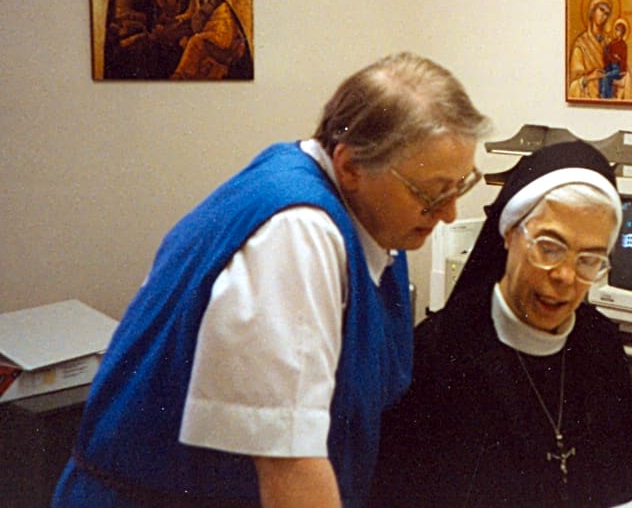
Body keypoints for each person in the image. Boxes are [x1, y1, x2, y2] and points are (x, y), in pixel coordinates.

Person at [53, 52, 490, 508]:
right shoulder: (297, 234)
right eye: (431, 192)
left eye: (459, 186)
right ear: (351, 167)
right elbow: (288, 468)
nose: (448, 213)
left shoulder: (374, 218)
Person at [368, 141, 632, 508]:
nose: (567, 277)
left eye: (590, 259)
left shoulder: (599, 343)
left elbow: (603, 473)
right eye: (550, 248)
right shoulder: (436, 357)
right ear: (508, 233)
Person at [171, 0, 254, 79]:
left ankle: (181, 74)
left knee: (195, 41)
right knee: (186, 41)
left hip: (223, 27)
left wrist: (195, 27)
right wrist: (177, 19)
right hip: (211, 26)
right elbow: (190, 12)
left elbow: (205, 11)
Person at [568, 0, 614, 100]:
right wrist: (590, 77)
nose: (604, 15)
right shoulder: (580, 45)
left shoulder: (609, 42)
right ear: (592, 10)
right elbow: (573, 85)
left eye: (607, 13)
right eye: (601, 10)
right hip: (589, 95)